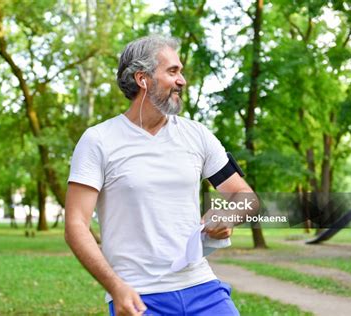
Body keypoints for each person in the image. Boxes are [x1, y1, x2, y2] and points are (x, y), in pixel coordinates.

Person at [65, 35, 256, 316]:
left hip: (202, 287)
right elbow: (75, 225)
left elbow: (245, 197)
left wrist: (227, 216)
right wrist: (116, 287)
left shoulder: (197, 135)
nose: (182, 80)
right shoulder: (98, 141)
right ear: (143, 79)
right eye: (172, 71)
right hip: (139, 295)